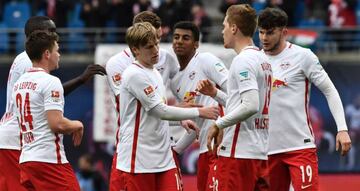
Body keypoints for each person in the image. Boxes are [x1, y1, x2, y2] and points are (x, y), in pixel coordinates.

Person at [0, 16, 105, 191]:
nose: (55, 35)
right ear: (36, 34)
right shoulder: (30, 61)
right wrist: (80, 80)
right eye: (51, 31)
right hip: (19, 140)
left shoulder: (24, 61)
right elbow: (47, 98)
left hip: (19, 140)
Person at [115, 22, 219, 191]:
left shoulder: (154, 72)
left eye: (156, 43)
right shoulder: (134, 74)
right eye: (149, 47)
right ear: (135, 50)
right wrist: (199, 111)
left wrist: (181, 121)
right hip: (139, 159)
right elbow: (160, 111)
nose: (156, 50)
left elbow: (154, 114)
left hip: (163, 157)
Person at [258, 7, 351, 191]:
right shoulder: (254, 59)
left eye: (270, 32)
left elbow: (330, 91)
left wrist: (342, 129)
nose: (264, 38)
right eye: (261, 32)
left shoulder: (303, 56)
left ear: (284, 32)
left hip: (299, 147)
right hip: (266, 150)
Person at [202, 4, 272, 190]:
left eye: (225, 25)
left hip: (238, 155)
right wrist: (216, 94)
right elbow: (241, 105)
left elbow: (250, 105)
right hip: (259, 153)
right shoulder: (264, 60)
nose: (223, 30)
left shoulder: (243, 60)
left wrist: (219, 123)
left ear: (234, 28)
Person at [12, 30, 83, 190]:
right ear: (47, 54)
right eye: (57, 50)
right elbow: (57, 124)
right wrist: (77, 124)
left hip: (26, 161)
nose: (59, 55)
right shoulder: (51, 81)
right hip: (49, 160)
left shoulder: (19, 84)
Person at [169, 21, 228, 191]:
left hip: (221, 146)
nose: (179, 41)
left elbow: (236, 93)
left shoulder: (205, 60)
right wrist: (177, 149)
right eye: (176, 37)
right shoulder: (175, 82)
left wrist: (215, 95)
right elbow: (197, 120)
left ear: (196, 44)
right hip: (204, 148)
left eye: (185, 38)